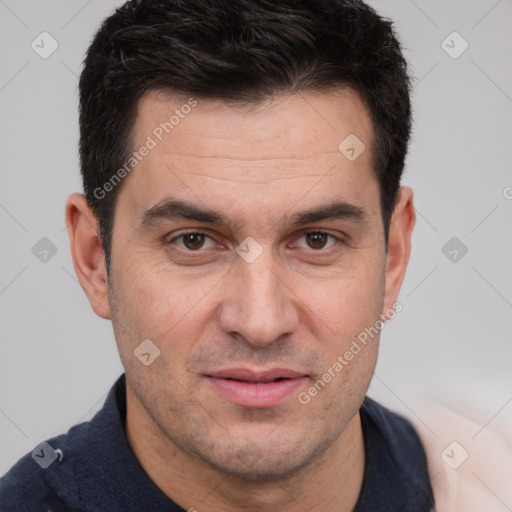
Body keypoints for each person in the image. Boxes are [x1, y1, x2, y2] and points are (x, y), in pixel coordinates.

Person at [1, 0, 437, 510]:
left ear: (393, 255)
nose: (259, 322)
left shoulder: (476, 486)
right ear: (96, 260)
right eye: (194, 240)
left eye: (317, 239)